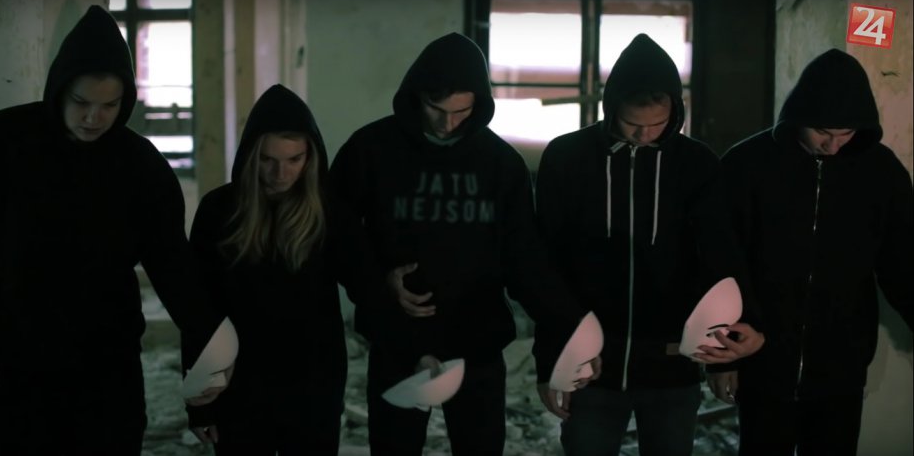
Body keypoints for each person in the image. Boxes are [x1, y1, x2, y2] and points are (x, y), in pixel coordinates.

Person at [0, 5, 225, 455]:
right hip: (14, 363)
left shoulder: (140, 165)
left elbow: (174, 270)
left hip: (105, 366)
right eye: (82, 103)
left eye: (109, 106)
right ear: (59, 90)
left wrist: (211, 358)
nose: (94, 118)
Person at [328, 32, 582, 455]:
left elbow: (525, 260)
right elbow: (337, 236)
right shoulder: (370, 149)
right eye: (437, 109)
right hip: (397, 339)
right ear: (416, 96)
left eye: (461, 112)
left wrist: (570, 329)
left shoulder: (501, 164)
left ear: (478, 105)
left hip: (476, 344)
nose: (447, 124)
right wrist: (378, 285)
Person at [534, 33, 764, 456]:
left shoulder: (696, 164)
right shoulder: (568, 157)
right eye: (631, 124)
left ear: (675, 112)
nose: (644, 135)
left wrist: (726, 355)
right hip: (589, 364)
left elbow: (720, 259)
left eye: (657, 125)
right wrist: (550, 359)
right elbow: (545, 265)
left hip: (672, 364)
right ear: (610, 109)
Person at [712, 48, 913, 456]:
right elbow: (721, 264)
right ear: (798, 117)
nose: (833, 146)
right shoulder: (746, 165)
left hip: (842, 367)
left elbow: (902, 262)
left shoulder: (882, 172)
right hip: (761, 360)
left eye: (847, 134)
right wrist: (722, 358)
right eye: (823, 132)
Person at [185, 83, 360, 455]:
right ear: (251, 155)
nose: (281, 173)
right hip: (239, 388)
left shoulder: (330, 214)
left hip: (313, 387)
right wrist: (199, 402)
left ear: (310, 157)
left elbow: (367, 284)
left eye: (294, 159)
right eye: (268, 159)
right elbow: (198, 309)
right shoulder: (219, 211)